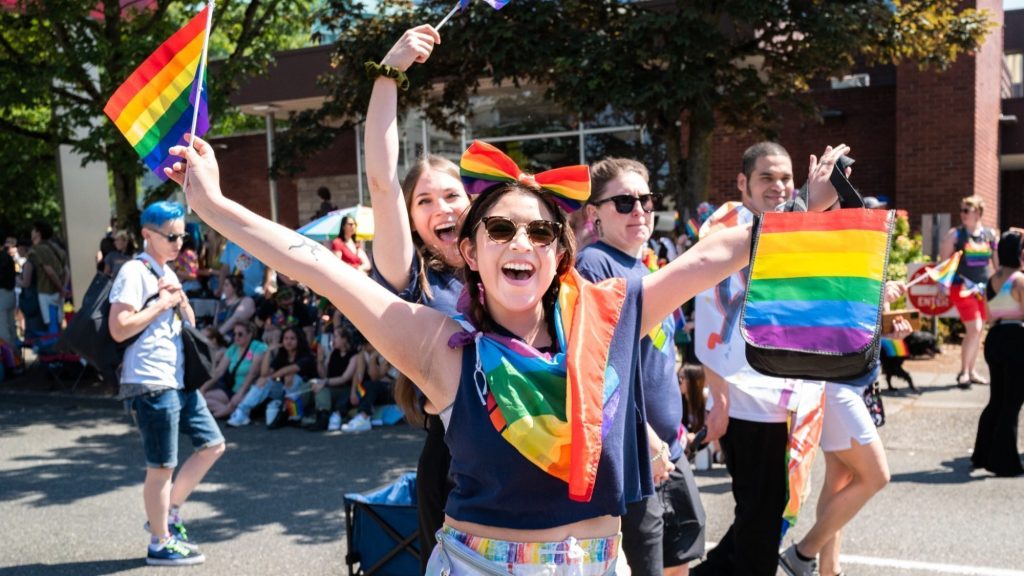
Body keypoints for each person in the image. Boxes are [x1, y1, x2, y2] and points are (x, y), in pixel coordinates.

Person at [166, 117, 845, 572]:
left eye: (540, 233)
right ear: (471, 251)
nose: (522, 243)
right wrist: (215, 205)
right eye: (500, 231)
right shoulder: (440, 346)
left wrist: (804, 213)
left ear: (560, 254)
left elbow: (716, 253)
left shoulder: (609, 314)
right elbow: (315, 266)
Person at [692, 141, 849, 576]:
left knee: (767, 508)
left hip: (785, 390)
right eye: (767, 177)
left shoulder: (789, 224)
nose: (779, 186)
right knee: (762, 513)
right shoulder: (726, 225)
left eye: (786, 177)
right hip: (747, 393)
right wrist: (717, 396)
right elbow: (739, 290)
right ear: (742, 182)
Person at [364, 25, 471, 572]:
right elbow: (382, 179)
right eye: (424, 200)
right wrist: (390, 72)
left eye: (452, 194)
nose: (441, 207)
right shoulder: (413, 279)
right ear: (410, 220)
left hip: (528, 455)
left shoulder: (508, 268)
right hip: (450, 462)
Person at [576, 157, 705, 575]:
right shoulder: (594, 264)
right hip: (635, 452)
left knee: (679, 558)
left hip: (669, 443)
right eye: (624, 202)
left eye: (646, 201)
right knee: (648, 565)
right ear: (594, 214)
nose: (639, 211)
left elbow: (661, 356)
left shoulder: (645, 266)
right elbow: (601, 369)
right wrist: (647, 438)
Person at [108, 201, 225, 566]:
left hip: (176, 379)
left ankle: (168, 514)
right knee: (161, 465)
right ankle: (159, 542)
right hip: (149, 380)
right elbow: (118, 327)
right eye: (171, 235)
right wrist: (160, 303)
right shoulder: (134, 271)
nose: (180, 242)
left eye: (183, 235)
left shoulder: (167, 271)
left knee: (213, 444)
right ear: (147, 235)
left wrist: (178, 300)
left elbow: (188, 319)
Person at [779, 283, 911, 576]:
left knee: (840, 479)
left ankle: (829, 569)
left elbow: (862, 331)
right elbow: (831, 316)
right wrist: (876, 299)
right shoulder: (845, 262)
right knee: (876, 476)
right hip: (836, 384)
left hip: (851, 384)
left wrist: (888, 328)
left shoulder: (869, 260)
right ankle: (802, 554)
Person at [970, 229, 1024, 477]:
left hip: (995, 338)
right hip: (1016, 340)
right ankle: (1004, 462)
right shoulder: (1020, 280)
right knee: (1012, 403)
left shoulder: (992, 279)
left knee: (996, 400)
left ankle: (981, 454)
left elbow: (989, 316)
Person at [939, 195, 998, 388]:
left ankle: (971, 371)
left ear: (978, 212)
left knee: (978, 332)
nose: (962, 214)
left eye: (967, 210)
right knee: (975, 328)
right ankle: (964, 372)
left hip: (984, 290)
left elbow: (996, 265)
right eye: (962, 210)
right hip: (962, 288)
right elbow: (944, 263)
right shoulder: (955, 235)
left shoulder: (990, 235)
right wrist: (942, 287)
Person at [226, 325, 317, 428]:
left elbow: (286, 370)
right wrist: (268, 352)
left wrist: (270, 377)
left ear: (299, 340)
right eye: (286, 338)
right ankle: (242, 412)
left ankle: (294, 415)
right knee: (263, 380)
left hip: (307, 392)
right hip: (285, 392)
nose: (288, 341)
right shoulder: (282, 355)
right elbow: (264, 373)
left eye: (292, 338)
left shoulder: (307, 356)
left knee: (289, 376)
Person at [200, 321, 268, 419]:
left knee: (212, 408)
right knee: (202, 397)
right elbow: (219, 371)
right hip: (232, 391)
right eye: (234, 334)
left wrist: (240, 393)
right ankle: (230, 410)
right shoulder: (233, 348)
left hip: (248, 391)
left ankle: (227, 411)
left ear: (250, 334)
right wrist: (202, 389)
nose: (236, 337)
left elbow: (253, 373)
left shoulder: (258, 347)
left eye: (240, 334)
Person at [307, 325, 363, 432]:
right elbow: (324, 375)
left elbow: (344, 378)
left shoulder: (354, 356)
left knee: (322, 390)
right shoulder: (333, 353)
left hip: (343, 389)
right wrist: (320, 360)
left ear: (344, 339)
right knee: (311, 383)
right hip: (331, 385)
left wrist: (324, 382)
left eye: (336, 337)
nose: (333, 340)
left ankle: (323, 416)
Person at [26, 221, 68, 329]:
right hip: (59, 293)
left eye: (33, 230)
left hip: (46, 292)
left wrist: (61, 289)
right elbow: (67, 272)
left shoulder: (38, 249)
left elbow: (49, 271)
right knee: (57, 326)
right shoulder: (58, 249)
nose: (31, 232)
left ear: (38, 233)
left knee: (50, 327)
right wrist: (63, 288)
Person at [210, 274, 256, 342]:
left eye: (227, 285)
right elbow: (215, 322)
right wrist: (212, 334)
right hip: (217, 338)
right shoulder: (221, 303)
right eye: (223, 285)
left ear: (235, 287)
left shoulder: (247, 301)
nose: (223, 287)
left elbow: (235, 319)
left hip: (234, 338)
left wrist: (218, 335)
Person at [0, 233, 15, 346]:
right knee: (11, 327)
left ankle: (10, 360)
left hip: (2, 295)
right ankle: (16, 357)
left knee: (3, 330)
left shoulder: (2, 257)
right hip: (10, 293)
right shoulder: (7, 256)